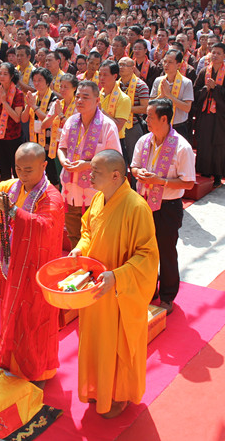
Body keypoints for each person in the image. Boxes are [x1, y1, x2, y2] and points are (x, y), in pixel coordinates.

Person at [69, 149, 159, 418]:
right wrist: (79, 247)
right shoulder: (98, 198)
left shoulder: (136, 207)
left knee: (116, 346)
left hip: (119, 293)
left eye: (95, 171)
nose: (89, 175)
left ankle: (119, 396)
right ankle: (98, 389)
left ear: (116, 175)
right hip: (95, 289)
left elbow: (147, 255)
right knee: (95, 342)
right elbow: (88, 229)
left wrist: (118, 276)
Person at [0, 142, 65, 384]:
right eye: (18, 169)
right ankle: (10, 362)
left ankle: (38, 370)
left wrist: (12, 211)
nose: (22, 175)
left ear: (44, 166)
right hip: (13, 264)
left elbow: (44, 226)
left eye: (29, 170)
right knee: (11, 316)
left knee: (33, 321)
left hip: (35, 269)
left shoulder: (51, 196)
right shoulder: (13, 187)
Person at [131, 98, 195, 313]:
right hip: (143, 203)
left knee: (166, 252)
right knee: (145, 250)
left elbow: (188, 182)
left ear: (164, 118)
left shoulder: (182, 147)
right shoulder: (144, 141)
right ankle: (150, 289)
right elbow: (134, 167)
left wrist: (161, 181)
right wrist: (138, 173)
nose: (146, 120)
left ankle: (168, 296)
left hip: (168, 206)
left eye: (150, 116)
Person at [57, 81, 121, 249]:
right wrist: (63, 160)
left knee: (95, 238)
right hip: (71, 191)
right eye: (77, 96)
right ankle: (78, 271)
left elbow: (114, 158)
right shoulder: (71, 121)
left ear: (97, 100)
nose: (80, 101)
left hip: (95, 193)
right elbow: (61, 147)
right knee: (74, 236)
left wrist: (85, 165)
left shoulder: (107, 126)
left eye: (85, 97)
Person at [193, 42, 225, 186]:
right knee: (205, 142)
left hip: (221, 115)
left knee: (219, 144)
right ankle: (205, 172)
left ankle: (218, 175)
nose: (215, 55)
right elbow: (195, 91)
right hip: (206, 114)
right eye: (213, 52)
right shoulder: (204, 71)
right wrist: (206, 89)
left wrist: (216, 88)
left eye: (219, 53)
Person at [0, 62, 25, 180]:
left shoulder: (18, 94)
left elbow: (17, 118)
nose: (1, 76)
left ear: (11, 76)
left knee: (16, 168)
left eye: (5, 74)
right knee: (3, 169)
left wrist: (5, 103)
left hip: (13, 137)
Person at [150, 49, 194, 138]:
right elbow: (150, 104)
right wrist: (162, 95)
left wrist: (169, 96)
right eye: (165, 61)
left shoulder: (186, 82)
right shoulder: (159, 81)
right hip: (160, 125)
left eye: (170, 62)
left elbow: (187, 108)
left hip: (179, 126)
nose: (166, 65)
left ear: (178, 65)